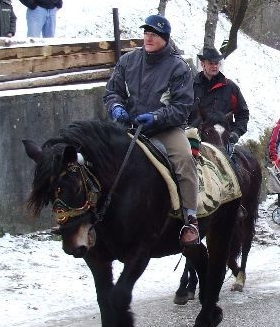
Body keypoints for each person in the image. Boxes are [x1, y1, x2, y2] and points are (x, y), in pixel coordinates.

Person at [103, 14, 199, 246]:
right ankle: (92, 214)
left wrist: (156, 117)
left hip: (164, 128)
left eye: (153, 34)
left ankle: (190, 217)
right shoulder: (128, 61)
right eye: (146, 33)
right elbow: (112, 91)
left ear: (164, 38)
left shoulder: (179, 67)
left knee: (185, 158)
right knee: (98, 155)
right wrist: (116, 107)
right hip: (128, 125)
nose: (148, 38)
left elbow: (182, 108)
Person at [191, 47, 249, 144]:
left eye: (216, 63)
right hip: (194, 139)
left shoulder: (231, 87)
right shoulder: (191, 86)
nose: (214, 66)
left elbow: (243, 114)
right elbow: (182, 111)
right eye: (211, 63)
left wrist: (236, 133)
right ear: (202, 64)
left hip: (223, 140)